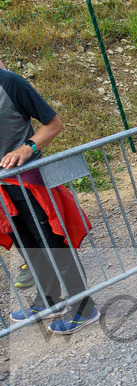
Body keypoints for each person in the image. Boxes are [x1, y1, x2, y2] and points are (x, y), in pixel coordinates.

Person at [1, 67, 98, 334]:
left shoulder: (10, 83)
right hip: (2, 191)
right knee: (28, 247)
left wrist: (27, 148)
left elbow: (54, 124)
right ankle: (49, 301)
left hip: (29, 183)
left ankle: (84, 308)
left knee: (53, 245)